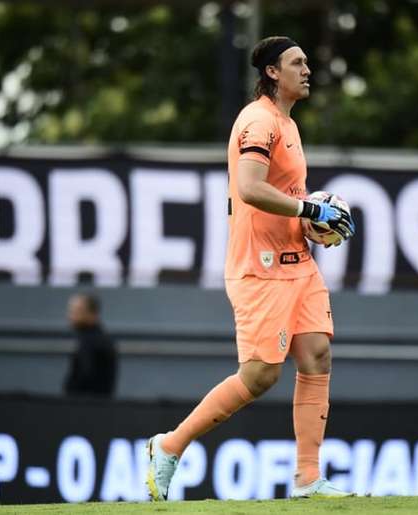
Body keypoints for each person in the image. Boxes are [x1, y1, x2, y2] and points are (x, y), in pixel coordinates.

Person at [146, 36, 356, 501]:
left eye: (306, 62)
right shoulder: (258, 121)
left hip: (296, 264)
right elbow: (249, 188)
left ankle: (307, 478)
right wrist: (311, 212)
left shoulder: (287, 123)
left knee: (317, 354)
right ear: (272, 73)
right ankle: (169, 446)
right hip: (258, 269)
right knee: (261, 375)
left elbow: (284, 200)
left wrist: (312, 224)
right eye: (296, 63)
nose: (307, 70)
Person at [63, 293, 118, 397]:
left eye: (76, 311)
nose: (70, 316)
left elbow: (85, 375)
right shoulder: (96, 339)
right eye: (71, 311)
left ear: (92, 314)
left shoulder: (92, 342)